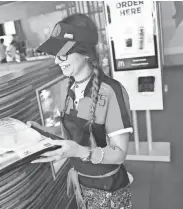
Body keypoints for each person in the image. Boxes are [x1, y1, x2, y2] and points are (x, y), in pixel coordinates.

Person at [29, 13, 133, 209]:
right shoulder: (70, 88)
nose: (56, 61)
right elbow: (76, 137)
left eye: (62, 54)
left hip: (109, 189)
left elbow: (119, 153)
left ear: (85, 52)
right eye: (55, 55)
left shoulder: (110, 91)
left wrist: (80, 152)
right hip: (83, 184)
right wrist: (40, 131)